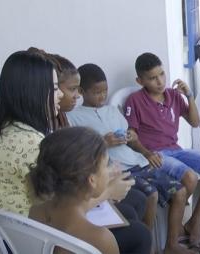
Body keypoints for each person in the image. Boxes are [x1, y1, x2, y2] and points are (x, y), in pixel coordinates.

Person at [67, 63, 193, 254]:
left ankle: (171, 244)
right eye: (97, 92)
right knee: (150, 194)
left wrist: (137, 143)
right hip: (117, 169)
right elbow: (79, 152)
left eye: (105, 91)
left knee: (180, 191)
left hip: (138, 162)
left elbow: (130, 137)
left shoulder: (111, 111)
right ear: (82, 91)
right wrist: (103, 142)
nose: (102, 96)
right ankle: (147, 245)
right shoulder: (73, 117)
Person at [124, 52, 200, 248]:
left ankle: (194, 220)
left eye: (162, 74)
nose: (160, 81)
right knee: (190, 178)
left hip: (176, 150)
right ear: (140, 80)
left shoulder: (173, 96)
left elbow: (195, 122)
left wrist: (188, 95)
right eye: (152, 78)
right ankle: (173, 239)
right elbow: (131, 137)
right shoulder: (135, 100)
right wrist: (146, 153)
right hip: (156, 154)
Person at [52, 57, 152, 254]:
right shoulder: (57, 127)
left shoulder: (57, 123)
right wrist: (106, 191)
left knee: (134, 206)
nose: (74, 96)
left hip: (67, 205)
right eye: (69, 89)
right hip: (58, 224)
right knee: (139, 232)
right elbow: (63, 194)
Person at [0, 49, 63, 215]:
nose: (61, 94)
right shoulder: (30, 142)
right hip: (33, 236)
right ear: (32, 92)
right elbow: (58, 206)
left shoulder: (7, 128)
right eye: (55, 88)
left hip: (9, 232)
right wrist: (107, 191)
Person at [29, 127, 119, 253]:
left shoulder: (35, 211)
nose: (108, 171)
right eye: (106, 165)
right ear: (92, 180)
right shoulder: (101, 239)